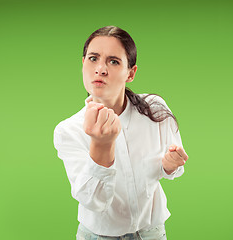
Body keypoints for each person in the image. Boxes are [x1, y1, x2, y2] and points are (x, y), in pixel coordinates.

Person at [53, 25, 188, 240]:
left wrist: (170, 165)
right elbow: (93, 200)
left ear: (131, 73)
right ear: (83, 64)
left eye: (113, 61)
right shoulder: (68, 130)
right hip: (99, 236)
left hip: (151, 233)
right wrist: (101, 145)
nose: (100, 69)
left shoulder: (155, 109)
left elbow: (170, 170)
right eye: (93, 58)